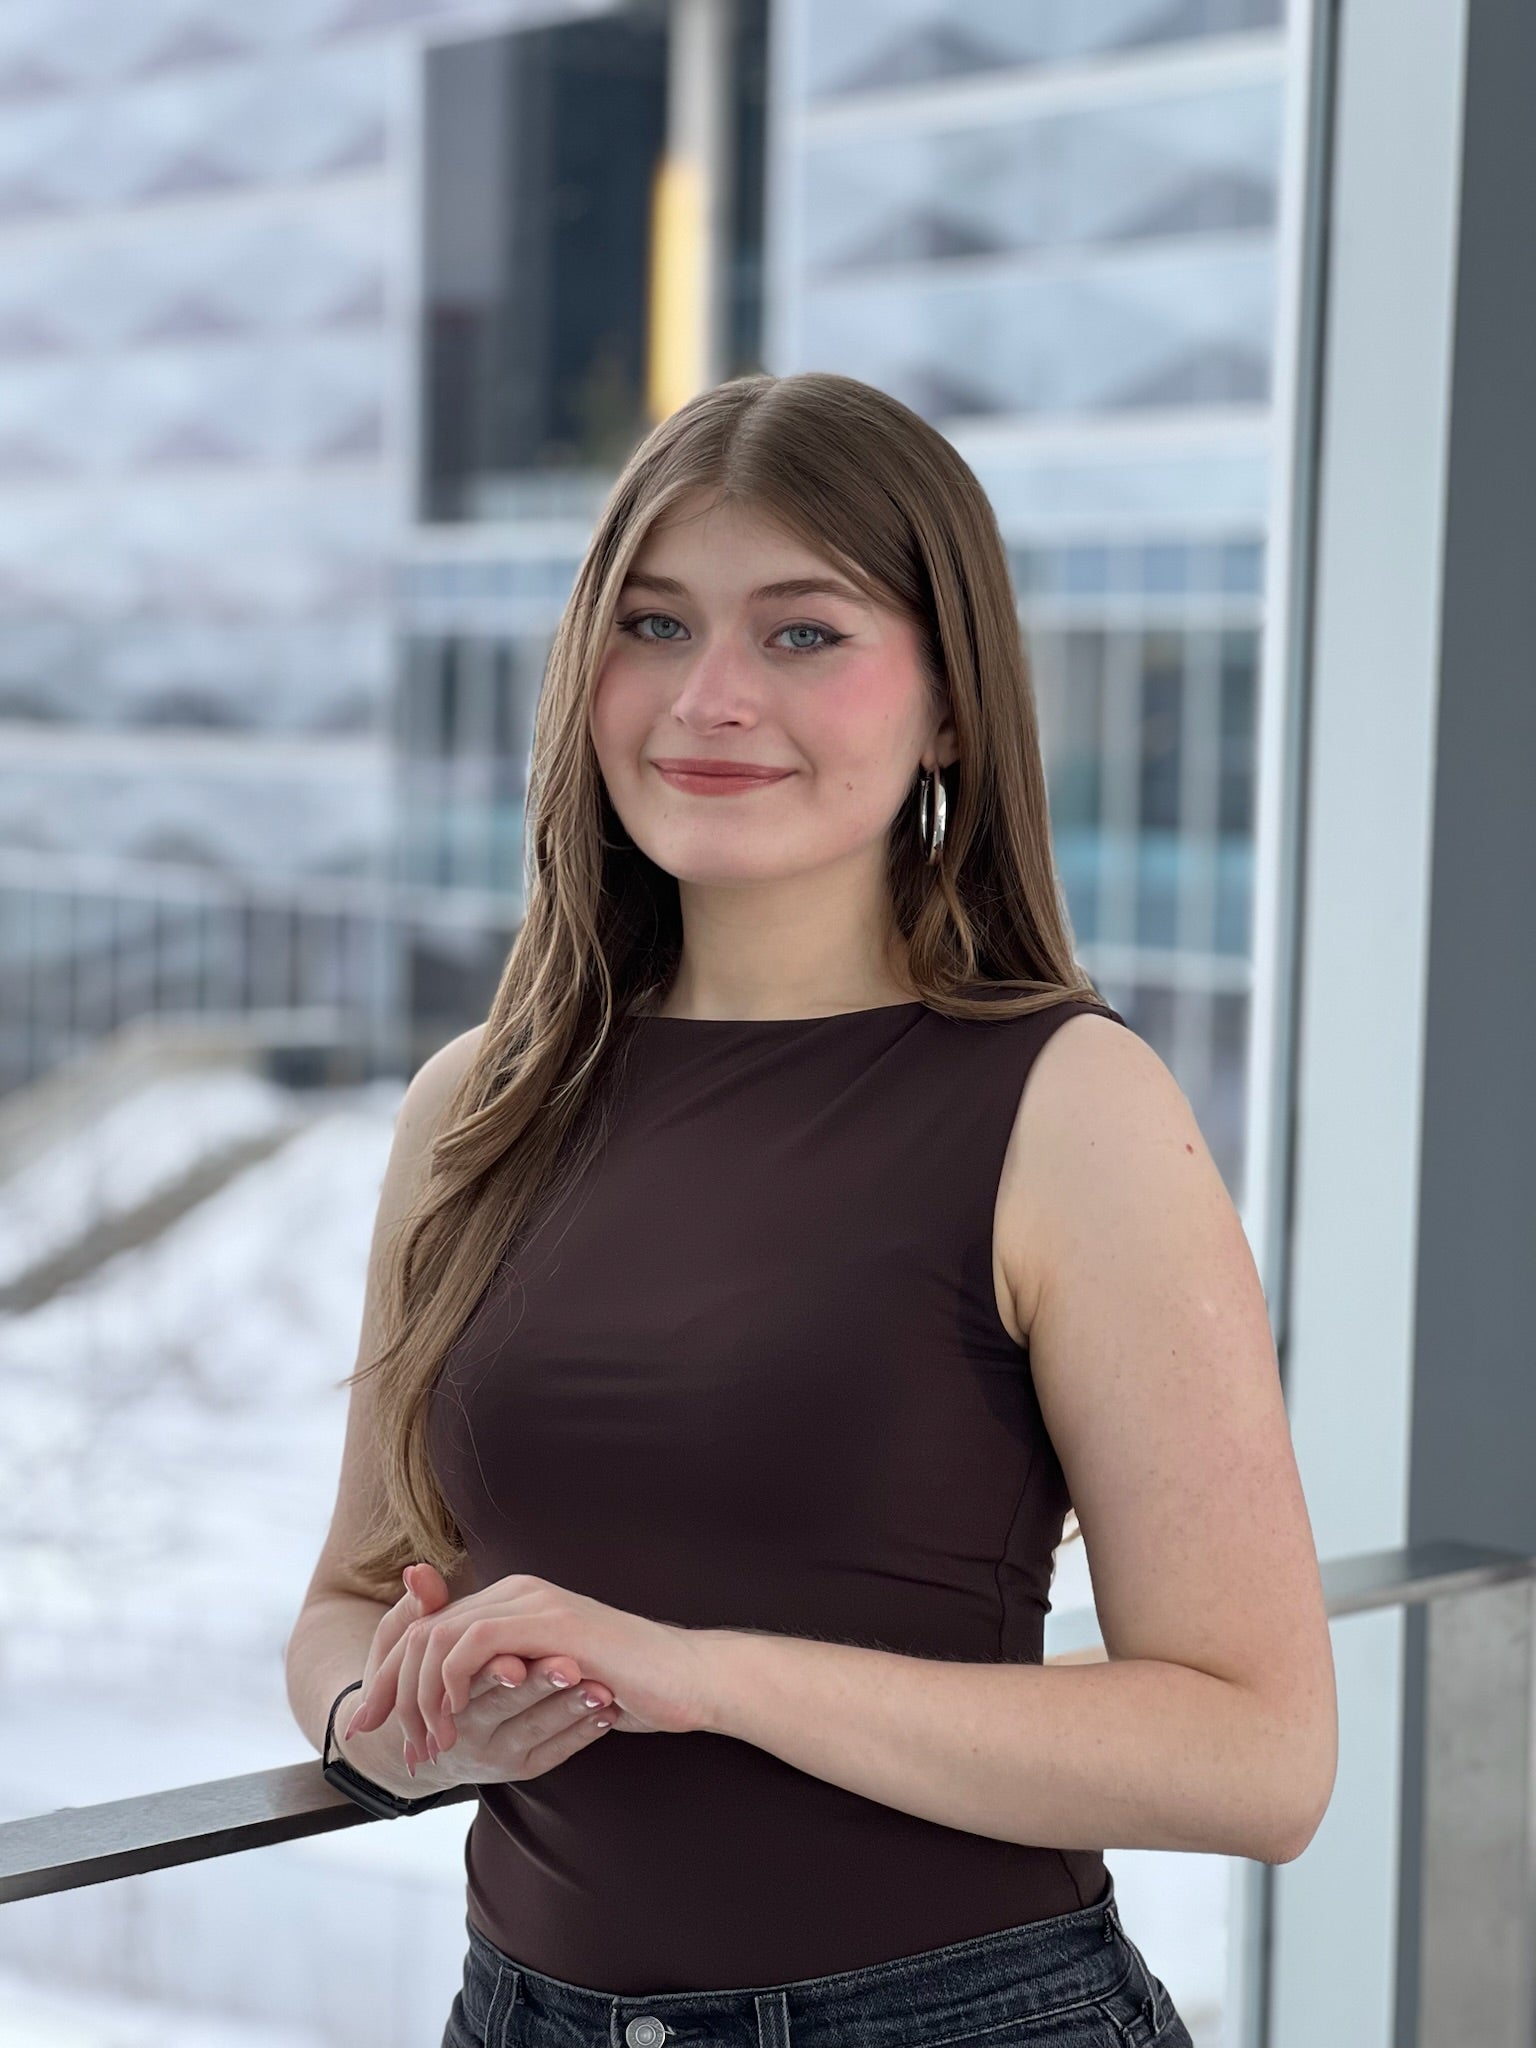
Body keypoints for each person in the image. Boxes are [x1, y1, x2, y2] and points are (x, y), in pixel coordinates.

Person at [284, 371, 1336, 2048]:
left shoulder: (1070, 1110)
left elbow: (1261, 1757)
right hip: (523, 2016)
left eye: (802, 634)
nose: (706, 698)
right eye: (652, 623)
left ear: (948, 710)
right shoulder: (473, 1111)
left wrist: (699, 1678)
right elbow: (350, 1597)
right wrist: (385, 1718)